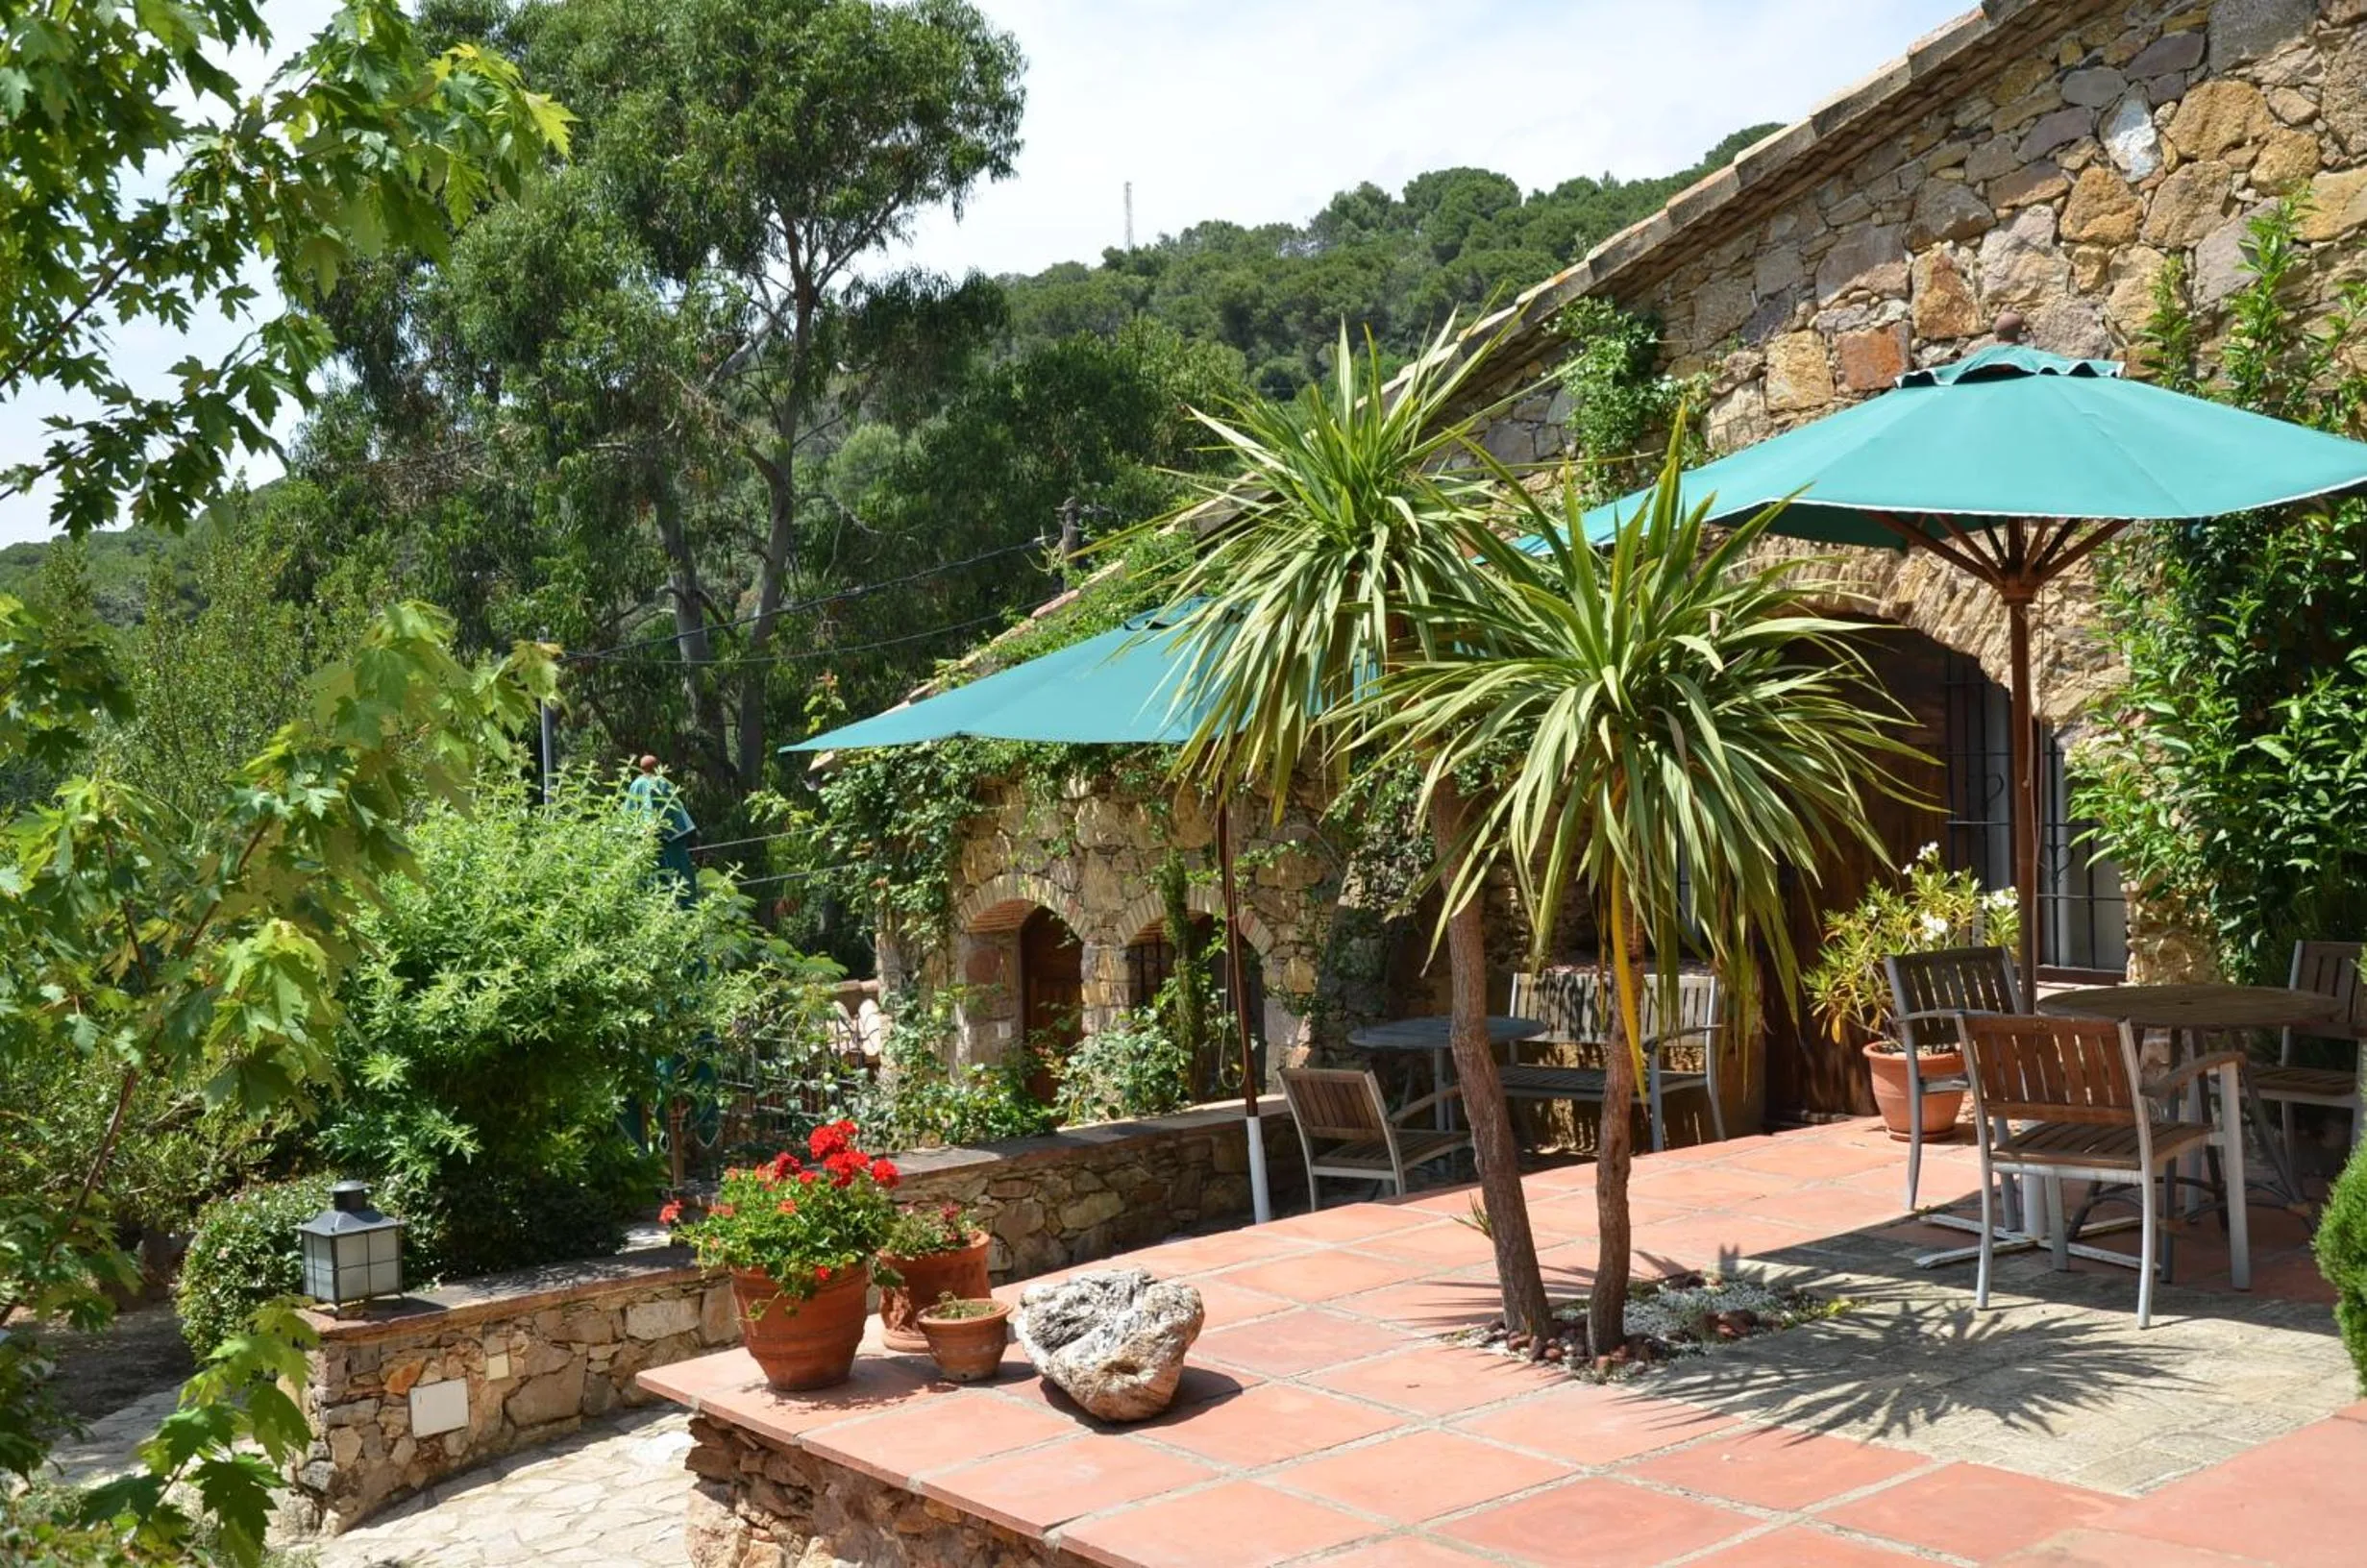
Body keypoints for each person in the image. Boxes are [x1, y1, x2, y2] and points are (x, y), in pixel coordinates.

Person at [624, 753, 698, 900]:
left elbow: (630, 814)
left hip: (647, 846)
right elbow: (678, 817)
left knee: (651, 885)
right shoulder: (665, 783)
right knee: (680, 884)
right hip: (673, 843)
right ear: (657, 766)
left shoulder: (637, 785)